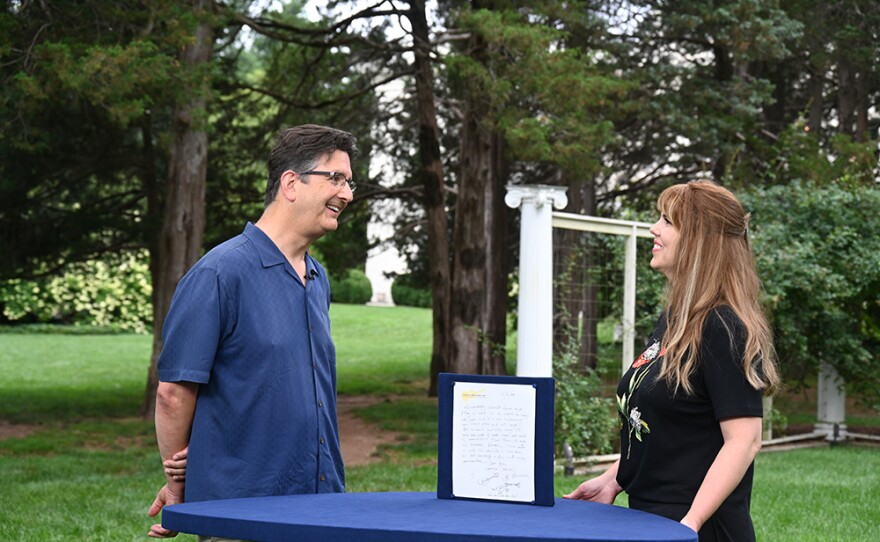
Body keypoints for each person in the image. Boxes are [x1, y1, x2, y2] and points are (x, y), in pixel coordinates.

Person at [147, 124, 358, 539]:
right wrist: (179, 484)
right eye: (335, 178)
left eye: (350, 182)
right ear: (291, 183)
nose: (347, 194)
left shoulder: (317, 278)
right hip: (242, 512)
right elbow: (173, 394)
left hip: (322, 504)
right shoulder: (219, 272)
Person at [564, 180, 780, 542]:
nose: (654, 228)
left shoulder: (723, 326)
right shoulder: (676, 319)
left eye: (667, 221)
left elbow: (745, 441)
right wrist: (613, 479)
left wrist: (689, 526)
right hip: (649, 521)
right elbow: (666, 432)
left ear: (699, 241)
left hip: (699, 530)